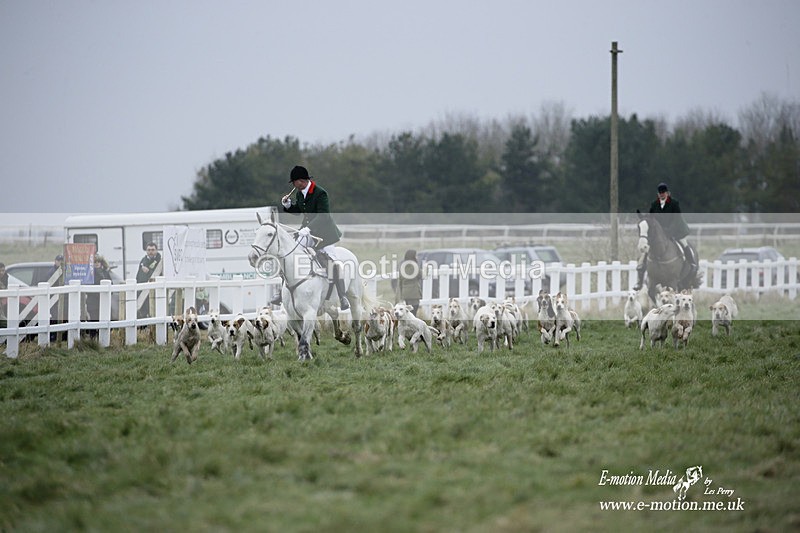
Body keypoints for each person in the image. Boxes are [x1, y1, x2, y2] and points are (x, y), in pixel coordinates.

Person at [274, 165, 350, 310]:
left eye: (294, 182)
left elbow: (324, 216)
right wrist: (289, 206)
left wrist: (308, 228)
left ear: (301, 181)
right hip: (307, 232)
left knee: (333, 262)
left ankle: (343, 296)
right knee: (291, 256)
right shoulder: (299, 193)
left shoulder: (320, 193)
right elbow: (300, 211)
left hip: (325, 234)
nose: (294, 186)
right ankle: (282, 292)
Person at [634, 182, 697, 290]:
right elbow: (651, 218)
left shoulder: (674, 204)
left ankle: (692, 264)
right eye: (660, 193)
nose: (662, 194)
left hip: (677, 230)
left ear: (668, 193)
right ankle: (640, 276)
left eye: (663, 193)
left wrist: (669, 232)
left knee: (684, 244)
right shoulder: (654, 204)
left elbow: (676, 220)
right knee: (647, 251)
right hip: (660, 233)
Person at [85, 254, 112, 339]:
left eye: (98, 262)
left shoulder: (105, 273)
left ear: (101, 263)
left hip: (104, 302)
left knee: (104, 320)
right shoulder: (89, 274)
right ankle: (93, 340)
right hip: (93, 302)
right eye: (95, 262)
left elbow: (111, 284)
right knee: (94, 320)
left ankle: (104, 339)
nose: (96, 264)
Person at [136, 242, 162, 318]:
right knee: (142, 310)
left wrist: (148, 272)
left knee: (153, 309)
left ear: (156, 250)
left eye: (153, 250)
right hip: (142, 288)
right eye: (149, 250)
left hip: (153, 290)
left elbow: (158, 274)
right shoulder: (143, 260)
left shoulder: (159, 261)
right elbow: (139, 275)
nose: (151, 252)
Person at [396, 249, 422, 315]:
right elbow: (420, 276)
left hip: (405, 293)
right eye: (416, 255)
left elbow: (400, 280)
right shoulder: (415, 266)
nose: (417, 257)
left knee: (408, 313)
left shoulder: (402, 267)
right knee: (414, 313)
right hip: (414, 293)